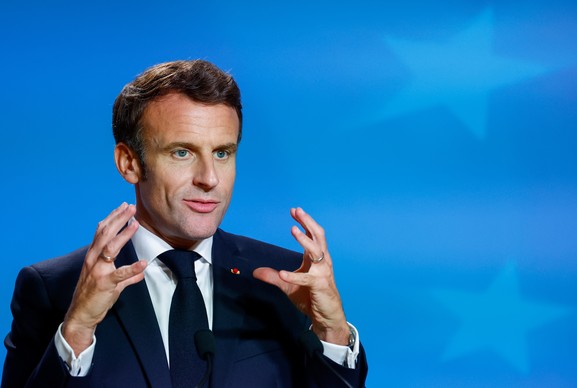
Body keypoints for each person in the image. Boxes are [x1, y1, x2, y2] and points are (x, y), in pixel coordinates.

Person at [1, 60, 368, 387]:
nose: (209, 178)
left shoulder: (286, 279)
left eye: (222, 153)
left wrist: (332, 332)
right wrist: (78, 330)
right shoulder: (54, 289)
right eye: (182, 152)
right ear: (130, 163)